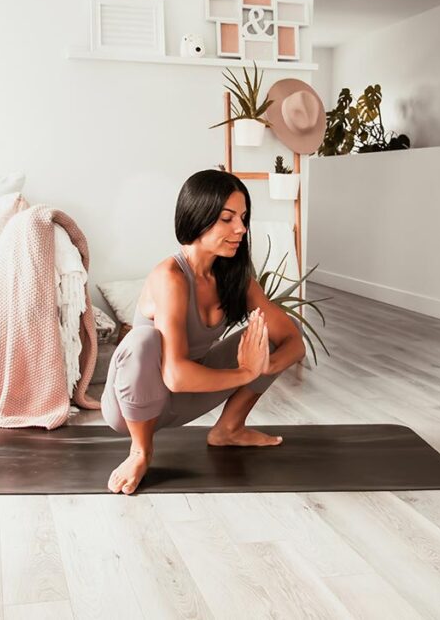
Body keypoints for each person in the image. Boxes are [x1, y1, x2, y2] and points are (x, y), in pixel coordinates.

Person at [101, 169, 307, 494]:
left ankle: (229, 429)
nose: (240, 228)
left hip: (185, 399)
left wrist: (263, 365)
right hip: (133, 406)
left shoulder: (235, 278)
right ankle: (140, 451)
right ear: (198, 217)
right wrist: (246, 371)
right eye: (227, 218)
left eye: (243, 217)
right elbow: (175, 376)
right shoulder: (170, 277)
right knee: (143, 340)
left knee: (273, 332)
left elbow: (294, 342)